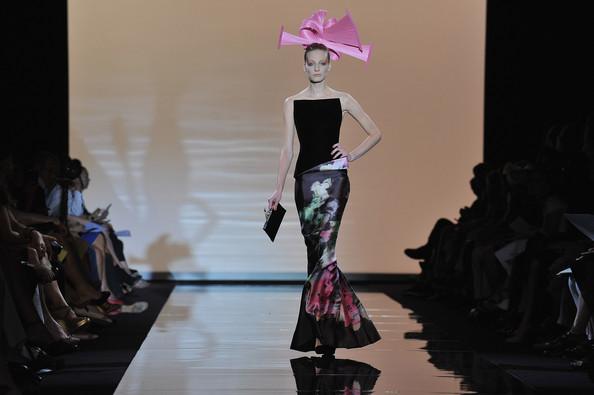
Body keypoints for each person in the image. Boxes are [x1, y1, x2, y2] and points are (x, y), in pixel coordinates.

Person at [269, 11, 382, 356]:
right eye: (311, 64)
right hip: (304, 181)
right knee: (314, 253)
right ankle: (322, 332)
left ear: (329, 65)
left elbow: (375, 132)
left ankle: (327, 334)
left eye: (321, 64)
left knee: (325, 253)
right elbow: (287, 148)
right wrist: (276, 189)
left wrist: (350, 156)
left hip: (333, 181)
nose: (316, 69)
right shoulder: (292, 102)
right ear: (304, 65)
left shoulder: (343, 99)